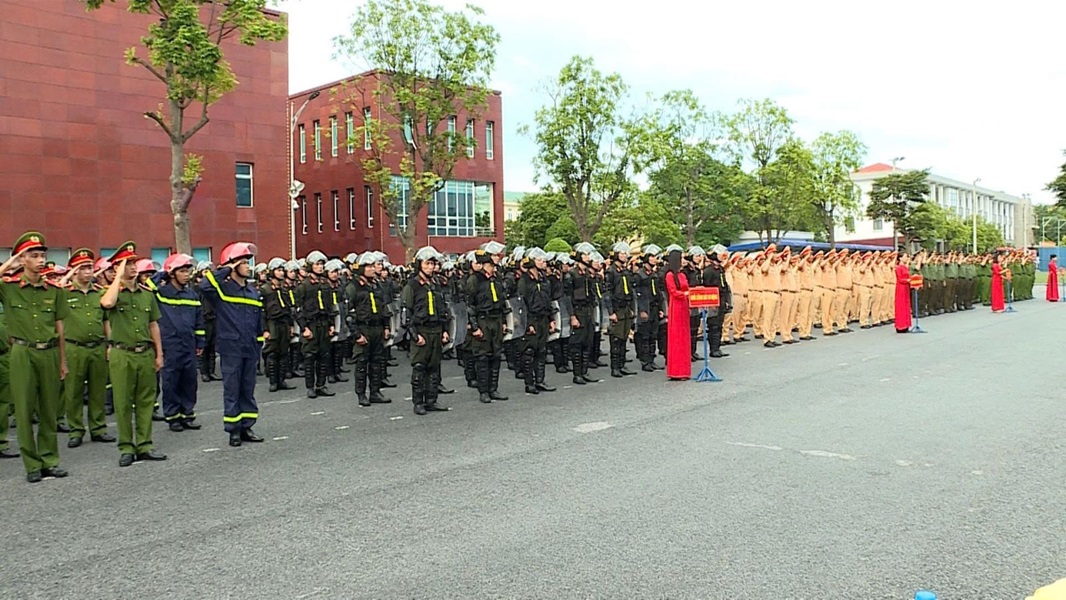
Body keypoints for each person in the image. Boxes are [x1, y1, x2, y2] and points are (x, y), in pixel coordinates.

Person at [0, 232, 72, 482]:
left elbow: (60, 326)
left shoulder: (54, 290)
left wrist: (63, 361)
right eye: (33, 256)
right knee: (23, 409)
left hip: (50, 352)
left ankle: (49, 459)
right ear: (23, 260)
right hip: (22, 352)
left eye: (42, 255)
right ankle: (32, 465)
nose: (41, 260)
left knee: (49, 409)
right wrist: (11, 263)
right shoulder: (9, 287)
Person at [100, 242, 167, 468]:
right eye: (127, 264)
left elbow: (153, 325)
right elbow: (107, 303)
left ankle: (145, 444)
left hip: (144, 353)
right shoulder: (110, 293)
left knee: (146, 401)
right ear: (117, 268)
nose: (133, 267)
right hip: (122, 353)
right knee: (123, 402)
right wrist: (117, 278)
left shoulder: (146, 294)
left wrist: (159, 353)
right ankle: (127, 446)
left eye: (133, 263)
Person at [201, 242, 265, 447]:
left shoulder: (252, 291)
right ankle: (233, 431)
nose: (249, 266)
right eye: (244, 262)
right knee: (232, 388)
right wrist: (228, 267)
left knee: (248, 388)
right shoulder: (223, 290)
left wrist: (260, 339)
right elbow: (205, 285)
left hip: (250, 347)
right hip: (231, 348)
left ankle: (247, 426)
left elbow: (258, 318)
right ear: (234, 264)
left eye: (248, 262)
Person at [63, 248, 115, 448]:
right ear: (74, 270)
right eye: (82, 268)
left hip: (97, 346)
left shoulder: (99, 293)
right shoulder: (64, 292)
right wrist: (67, 276)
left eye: (90, 267)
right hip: (74, 347)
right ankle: (76, 430)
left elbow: (106, 321)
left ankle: (98, 427)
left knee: (98, 390)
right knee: (74, 391)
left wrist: (109, 344)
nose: (87, 272)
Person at [151, 253, 205, 431]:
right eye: (182, 271)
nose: (187, 274)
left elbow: (199, 320)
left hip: (188, 344)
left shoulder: (192, 295)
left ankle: (187, 415)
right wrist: (163, 273)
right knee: (171, 381)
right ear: (172, 273)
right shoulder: (161, 292)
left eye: (188, 271)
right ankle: (173, 416)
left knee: (189, 381)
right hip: (170, 345)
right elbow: (147, 285)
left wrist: (200, 342)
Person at [401, 246, 451, 415]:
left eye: (433, 264)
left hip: (436, 330)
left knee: (434, 367)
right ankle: (418, 402)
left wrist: (445, 330)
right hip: (421, 330)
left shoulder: (436, 285)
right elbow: (406, 312)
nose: (431, 267)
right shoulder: (412, 286)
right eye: (427, 263)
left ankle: (432, 400)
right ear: (419, 265)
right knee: (420, 368)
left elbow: (442, 309)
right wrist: (415, 335)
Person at [346, 253, 391, 407]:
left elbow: (383, 308)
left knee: (376, 362)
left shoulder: (376, 285)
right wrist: (356, 334)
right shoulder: (353, 287)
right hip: (363, 327)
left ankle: (375, 392)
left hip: (377, 328)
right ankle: (361, 394)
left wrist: (386, 326)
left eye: (374, 266)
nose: (373, 269)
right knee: (361, 363)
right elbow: (349, 313)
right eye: (369, 266)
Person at [664, 247, 691, 380]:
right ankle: (676, 370)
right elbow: (673, 292)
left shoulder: (682, 275)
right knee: (676, 337)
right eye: (682, 259)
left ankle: (684, 370)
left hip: (684, 305)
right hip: (676, 305)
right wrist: (685, 294)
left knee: (684, 336)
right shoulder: (670, 275)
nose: (684, 261)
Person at [894, 253, 913, 333]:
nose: (906, 258)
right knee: (901, 306)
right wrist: (907, 280)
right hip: (901, 288)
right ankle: (900, 326)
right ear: (900, 258)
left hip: (906, 288)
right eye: (905, 257)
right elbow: (900, 279)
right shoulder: (898, 268)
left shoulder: (905, 267)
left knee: (906, 306)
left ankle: (906, 325)